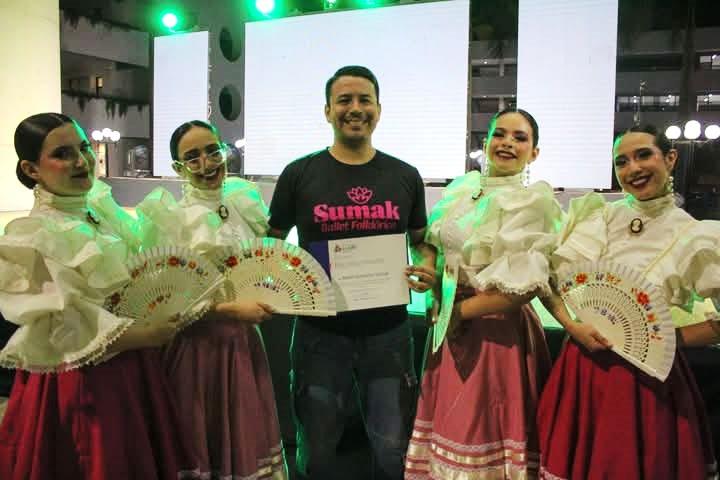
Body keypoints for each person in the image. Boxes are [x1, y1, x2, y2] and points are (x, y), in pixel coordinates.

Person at [0, 113, 200, 479]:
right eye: (63, 154)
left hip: (132, 367)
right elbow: (66, 328)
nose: (82, 161)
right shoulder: (36, 234)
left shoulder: (97, 209)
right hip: (83, 380)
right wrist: (148, 334)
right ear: (31, 169)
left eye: (84, 148)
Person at [268, 65, 435, 480]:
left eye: (365, 100)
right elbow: (271, 243)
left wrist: (428, 266)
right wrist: (285, 280)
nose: (355, 108)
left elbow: (421, 240)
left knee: (392, 448)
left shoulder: (404, 175)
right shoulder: (299, 173)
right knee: (317, 449)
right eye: (344, 100)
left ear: (379, 109)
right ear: (327, 110)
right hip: (319, 335)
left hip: (389, 334)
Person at [537, 125, 719, 479]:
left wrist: (670, 338)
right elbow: (547, 280)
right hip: (583, 363)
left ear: (670, 158)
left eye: (643, 155)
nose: (633, 168)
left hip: (646, 377)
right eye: (622, 161)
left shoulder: (695, 234)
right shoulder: (600, 217)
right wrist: (571, 325)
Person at [403, 108, 562, 479]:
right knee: (449, 422)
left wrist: (459, 313)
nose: (507, 143)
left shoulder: (533, 202)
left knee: (486, 425)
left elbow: (526, 286)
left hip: (497, 332)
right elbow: (433, 246)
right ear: (486, 141)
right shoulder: (462, 191)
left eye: (520, 138)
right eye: (499, 134)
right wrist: (430, 279)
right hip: (448, 325)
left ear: (534, 152)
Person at [136, 120, 288, 479]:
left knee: (246, 436)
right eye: (192, 157)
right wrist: (228, 309)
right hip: (196, 349)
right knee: (200, 441)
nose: (206, 163)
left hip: (244, 343)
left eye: (212, 151)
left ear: (224, 151)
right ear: (178, 168)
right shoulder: (171, 220)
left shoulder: (241, 203)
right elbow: (166, 301)